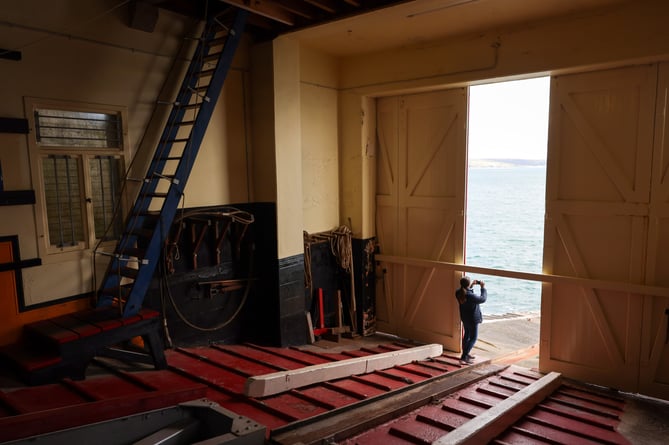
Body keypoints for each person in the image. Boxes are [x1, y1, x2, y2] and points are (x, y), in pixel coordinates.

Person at [455, 276, 487, 365]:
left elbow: (467, 294)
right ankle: (463, 357)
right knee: (473, 338)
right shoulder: (470, 295)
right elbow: (482, 299)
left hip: (465, 318)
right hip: (473, 319)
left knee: (467, 336)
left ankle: (466, 353)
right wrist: (483, 288)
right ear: (468, 284)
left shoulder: (458, 292)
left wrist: (471, 286)